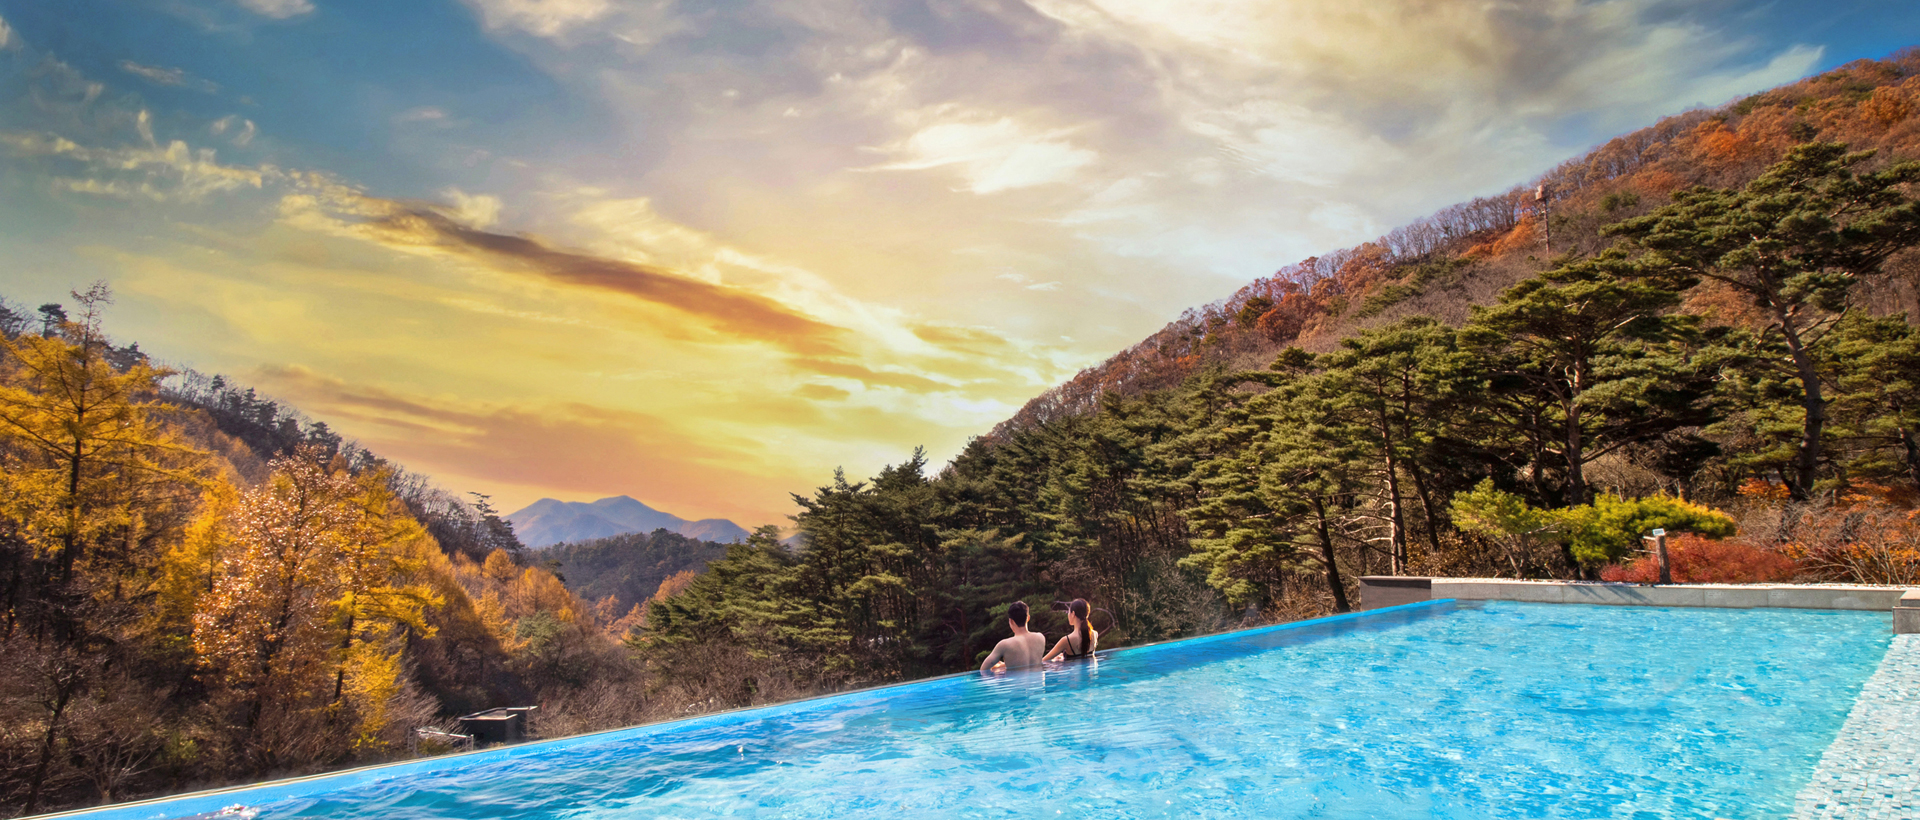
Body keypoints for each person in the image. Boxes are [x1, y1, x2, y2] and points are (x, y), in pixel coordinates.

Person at [979, 601, 1047, 673]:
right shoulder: (1040, 637)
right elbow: (1029, 663)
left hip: (1017, 680)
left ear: (1010, 621)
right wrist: (1004, 665)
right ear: (1028, 618)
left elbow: (983, 670)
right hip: (1038, 680)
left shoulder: (1004, 645)